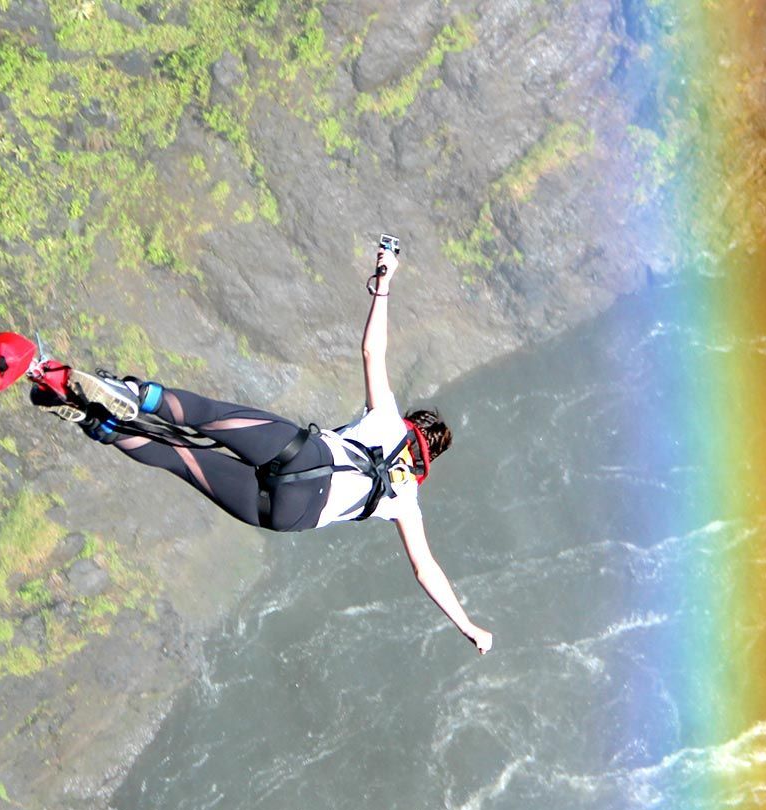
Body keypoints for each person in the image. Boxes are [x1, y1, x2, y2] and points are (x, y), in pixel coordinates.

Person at [30, 248, 493, 654]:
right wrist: (467, 626)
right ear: (427, 463)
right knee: (181, 459)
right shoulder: (406, 502)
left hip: (306, 456)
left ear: (416, 427)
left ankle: (132, 395)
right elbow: (425, 569)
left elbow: (373, 351)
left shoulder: (390, 421)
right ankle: (96, 421)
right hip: (284, 514)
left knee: (205, 418)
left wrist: (385, 282)